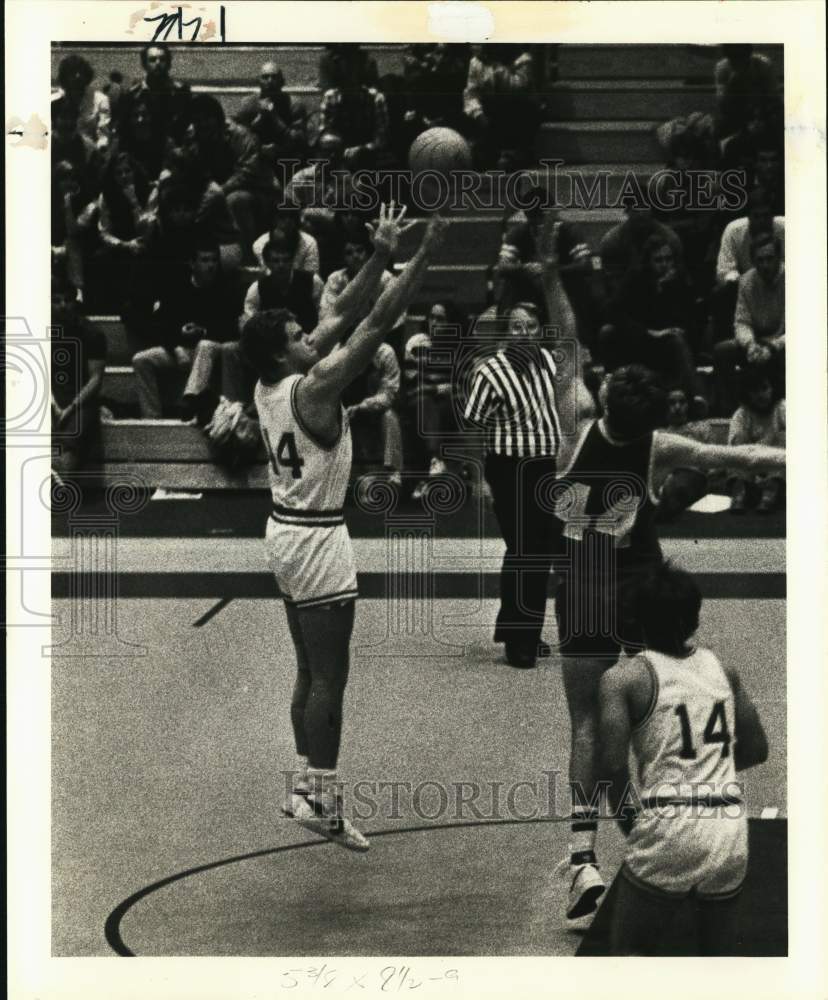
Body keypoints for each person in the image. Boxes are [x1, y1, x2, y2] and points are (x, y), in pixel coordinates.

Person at [544, 287, 785, 926]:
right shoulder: (655, 447)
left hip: (582, 578)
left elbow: (565, 330)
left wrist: (546, 266)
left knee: (588, 720)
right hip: (639, 584)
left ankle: (582, 858)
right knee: (684, 690)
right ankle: (682, 812)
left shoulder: (574, 418)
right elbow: (735, 457)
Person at [240, 204, 446, 851]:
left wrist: (381, 253)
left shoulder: (267, 382)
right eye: (301, 335)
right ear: (284, 349)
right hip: (318, 537)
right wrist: (428, 251)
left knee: (308, 668)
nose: (313, 337)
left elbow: (337, 318)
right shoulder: (316, 389)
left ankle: (304, 783)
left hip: (284, 529)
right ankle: (321, 796)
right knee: (331, 676)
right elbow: (374, 322)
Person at [599, 563, 769, 955]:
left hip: (669, 820)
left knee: (627, 958)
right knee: (716, 963)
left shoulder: (623, 679)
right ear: (695, 615)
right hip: (728, 824)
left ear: (635, 619)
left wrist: (635, 826)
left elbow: (611, 767)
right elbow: (756, 749)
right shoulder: (722, 668)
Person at [463, 251, 589, 671]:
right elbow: (470, 428)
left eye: (531, 326)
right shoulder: (490, 372)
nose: (523, 333)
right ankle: (520, 639)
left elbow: (571, 340)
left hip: (544, 469)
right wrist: (478, 479)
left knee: (530, 551)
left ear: (540, 331)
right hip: (507, 469)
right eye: (516, 326)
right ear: (506, 332)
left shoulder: (550, 363)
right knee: (526, 553)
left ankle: (521, 632)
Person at [132, 243, 241, 417]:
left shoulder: (226, 289)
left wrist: (203, 331)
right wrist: (175, 345)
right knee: (140, 360)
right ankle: (152, 418)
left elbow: (231, 328)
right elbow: (161, 325)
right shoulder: (177, 288)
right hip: (182, 349)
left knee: (205, 345)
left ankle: (191, 399)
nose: (211, 265)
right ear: (192, 264)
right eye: (205, 260)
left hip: (214, 352)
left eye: (214, 260)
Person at [713, 231, 785, 414]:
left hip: (782, 342)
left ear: (779, 257)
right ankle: (729, 411)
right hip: (757, 340)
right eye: (760, 260)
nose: (765, 265)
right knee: (723, 351)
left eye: (769, 258)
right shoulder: (746, 281)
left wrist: (773, 346)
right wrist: (750, 344)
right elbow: (742, 321)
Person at [51, 277, 107, 476]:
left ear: (75, 301)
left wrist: (71, 407)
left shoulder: (92, 333)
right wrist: (52, 403)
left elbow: (95, 380)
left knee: (72, 437)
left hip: (82, 399)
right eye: (56, 301)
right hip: (50, 396)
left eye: (67, 300)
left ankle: (59, 487)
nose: (63, 306)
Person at [727, 368, 786, 513]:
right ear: (747, 394)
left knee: (783, 436)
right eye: (754, 391)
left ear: (773, 388)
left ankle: (769, 495)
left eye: (764, 388)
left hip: (776, 467)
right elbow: (734, 448)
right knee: (739, 439)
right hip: (749, 468)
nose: (761, 395)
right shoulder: (741, 414)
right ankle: (740, 495)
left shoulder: (782, 408)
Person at [233, 60, 307, 170]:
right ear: (259, 82)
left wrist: (274, 117)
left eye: (274, 77)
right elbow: (238, 139)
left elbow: (298, 141)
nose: (270, 81)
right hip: (256, 159)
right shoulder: (248, 103)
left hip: (286, 159)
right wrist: (260, 119)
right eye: (265, 77)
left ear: (282, 82)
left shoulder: (294, 104)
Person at [53, 53, 111, 150]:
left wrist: (98, 151)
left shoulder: (101, 100)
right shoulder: (54, 101)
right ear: (64, 77)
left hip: (89, 152)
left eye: (81, 72)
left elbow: (103, 134)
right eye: (72, 72)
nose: (77, 76)